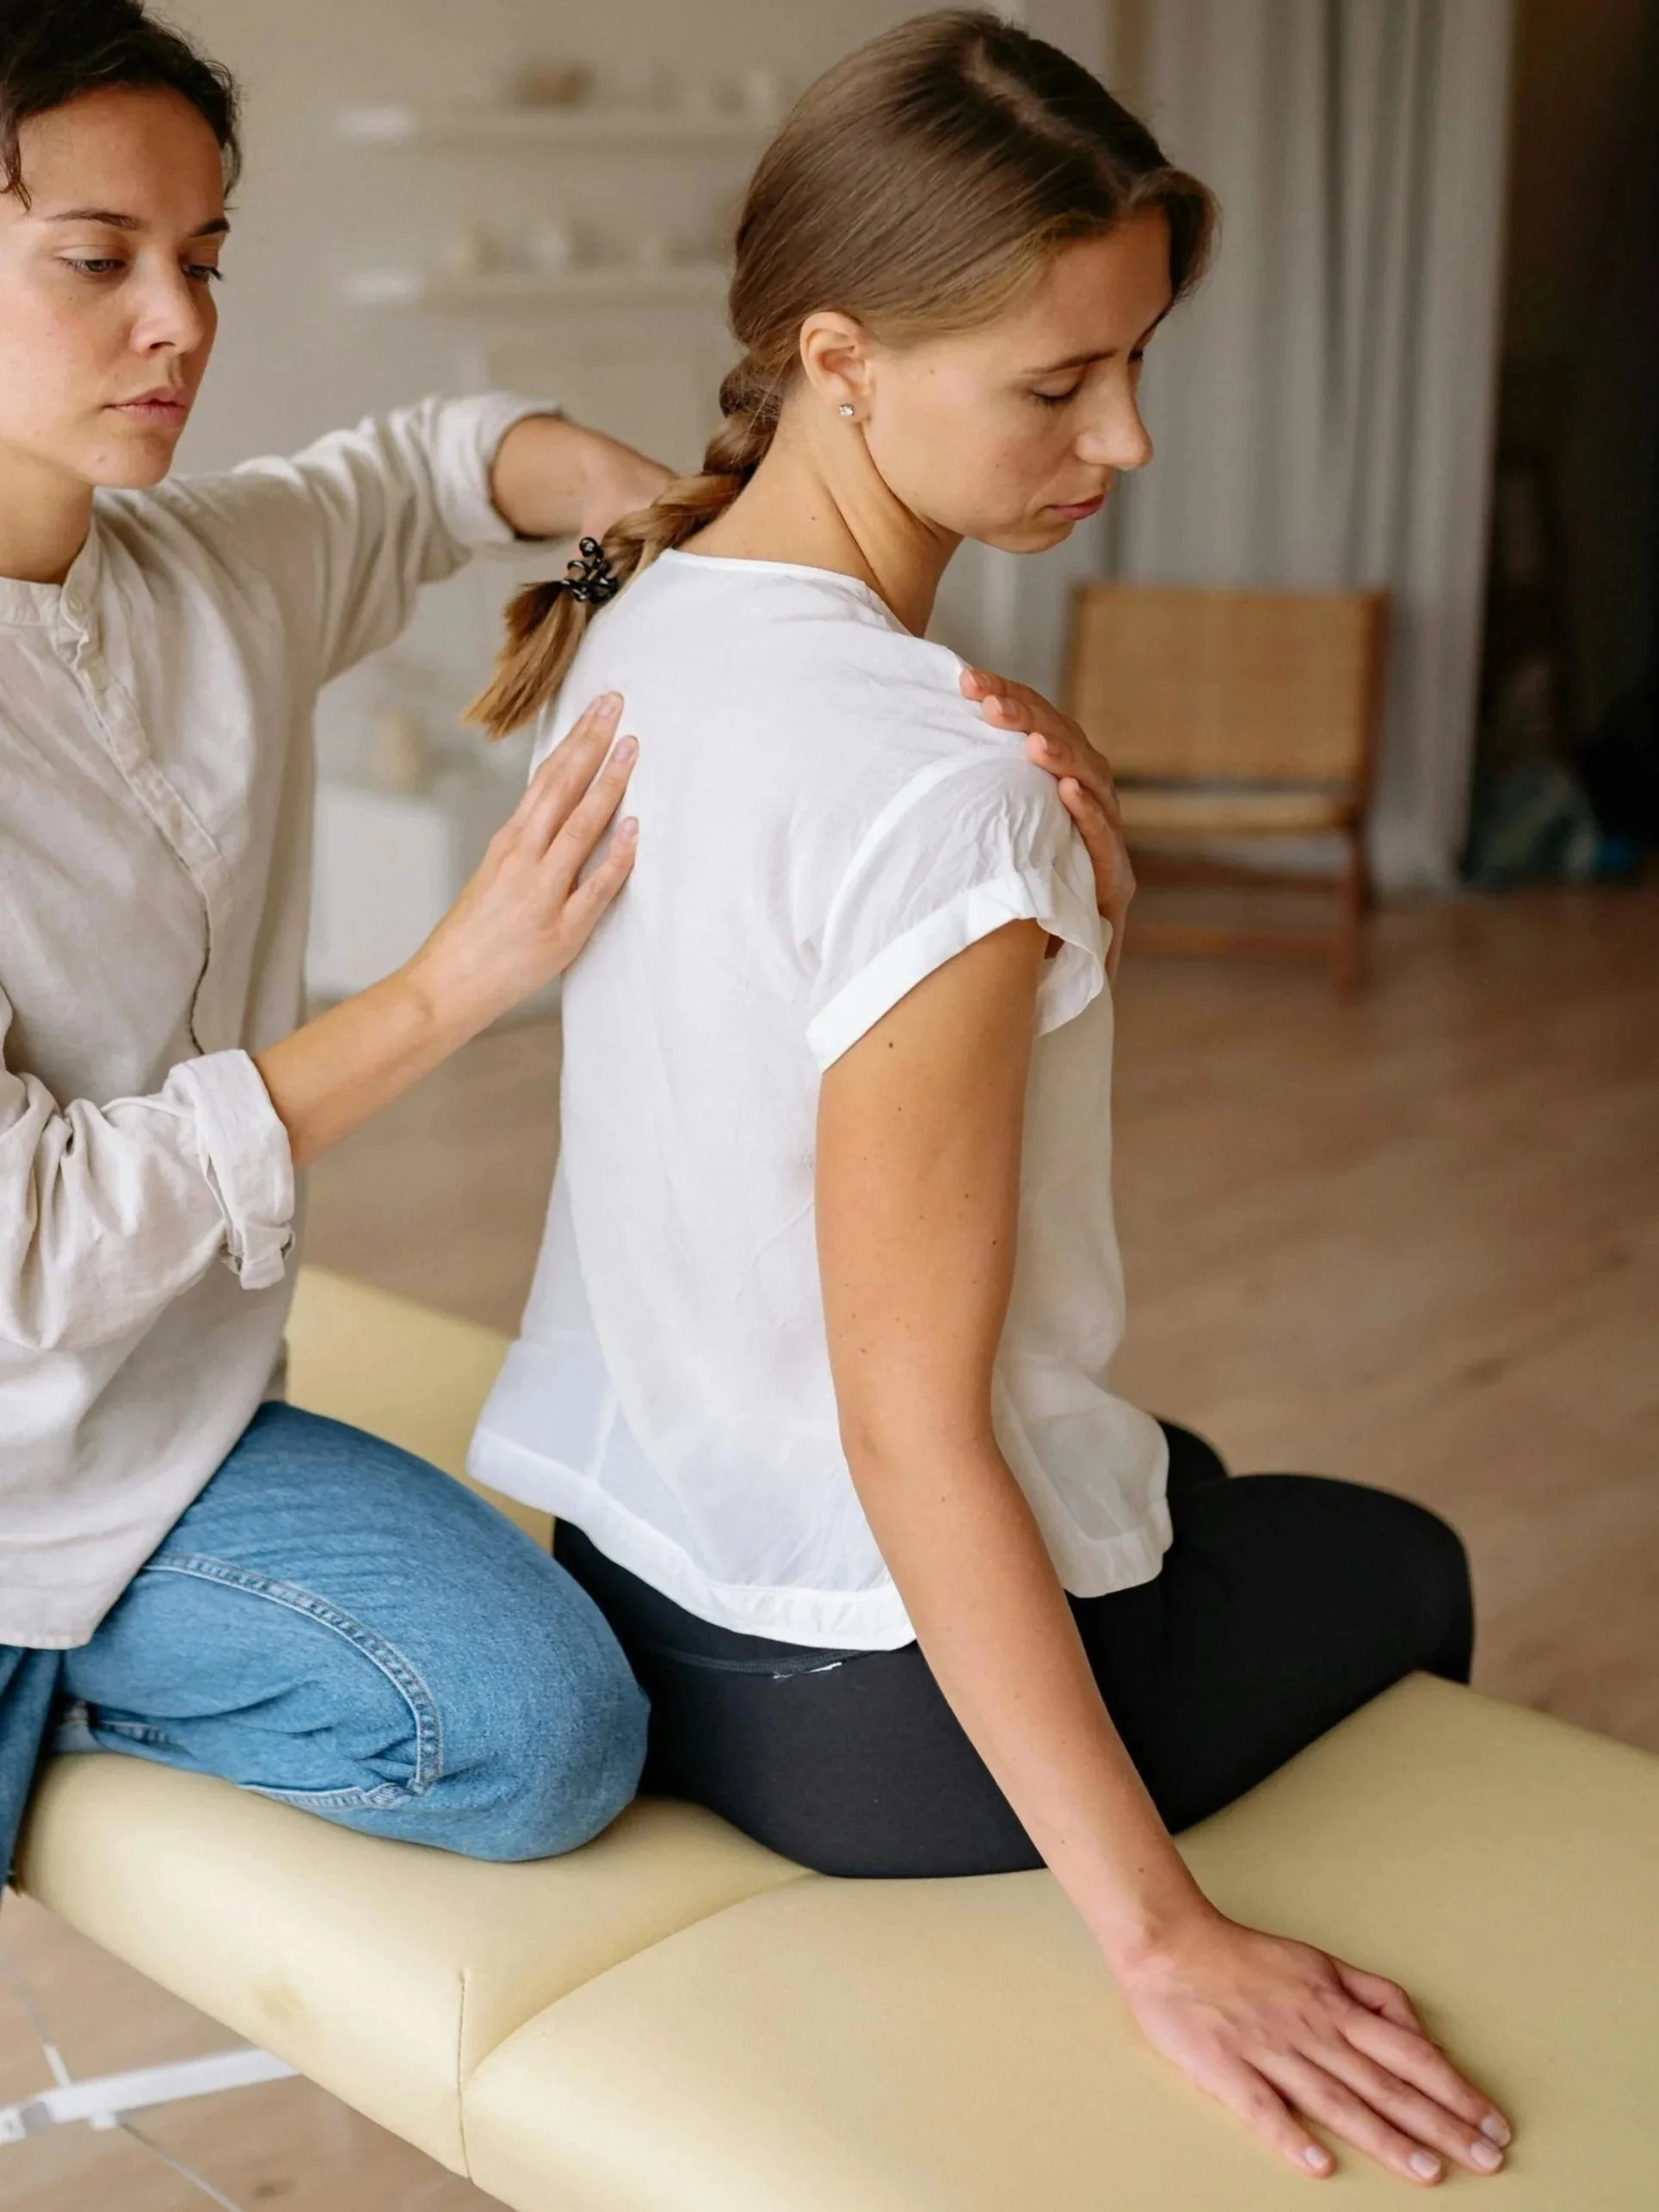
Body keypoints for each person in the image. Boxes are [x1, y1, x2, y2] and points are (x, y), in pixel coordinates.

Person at [467, 11, 1512, 2190]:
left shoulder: (653, 608)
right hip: (859, 1716)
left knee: (1188, 1473)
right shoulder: (939, 788)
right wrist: (1166, 1940)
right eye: (1058, 381)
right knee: (1397, 1558)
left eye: (1135, 362)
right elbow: (905, 1421)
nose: (1123, 439)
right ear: (839, 355)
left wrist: (1044, 854)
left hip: (638, 1558)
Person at [0, 0, 1128, 1886]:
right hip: (23, 1472)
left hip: (182, 1414)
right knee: (532, 1735)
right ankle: (59, 1691)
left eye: (202, 256)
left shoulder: (198, 568)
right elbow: (21, 1242)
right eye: (95, 262)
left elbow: (442, 460)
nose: (181, 321)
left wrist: (666, 542)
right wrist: (449, 987)